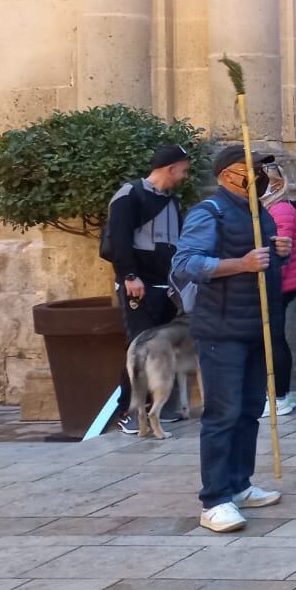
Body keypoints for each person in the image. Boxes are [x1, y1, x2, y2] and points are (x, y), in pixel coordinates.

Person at [170, 144, 289, 532]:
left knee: (250, 409)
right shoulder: (210, 212)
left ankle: (239, 483)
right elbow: (186, 263)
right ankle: (214, 499)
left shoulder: (259, 214)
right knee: (222, 414)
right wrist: (241, 263)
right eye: (248, 168)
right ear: (226, 174)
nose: (256, 175)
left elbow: (263, 263)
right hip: (222, 330)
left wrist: (279, 252)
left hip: (259, 327)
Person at [105, 144, 192, 434]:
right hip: (138, 287)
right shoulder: (130, 195)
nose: (185, 175)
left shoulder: (172, 201)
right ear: (171, 168)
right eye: (184, 169)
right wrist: (130, 276)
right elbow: (118, 239)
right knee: (140, 348)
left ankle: (157, 409)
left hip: (165, 287)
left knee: (159, 350)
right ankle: (131, 413)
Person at [264, 166, 296, 419]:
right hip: (279, 282)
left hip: (280, 284)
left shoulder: (280, 210)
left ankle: (280, 396)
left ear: (277, 185)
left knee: (275, 338)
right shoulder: (272, 209)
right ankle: (279, 395)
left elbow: (280, 252)